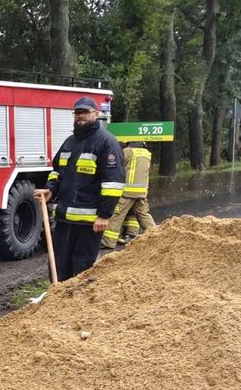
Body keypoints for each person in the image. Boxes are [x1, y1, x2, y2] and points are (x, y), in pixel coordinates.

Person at [34, 97, 125, 280]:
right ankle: (58, 302)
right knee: (59, 264)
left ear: (96, 114)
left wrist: (104, 215)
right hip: (64, 219)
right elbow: (57, 171)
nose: (80, 116)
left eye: (85, 112)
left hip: (90, 222)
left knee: (82, 266)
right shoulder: (69, 142)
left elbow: (113, 183)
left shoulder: (107, 143)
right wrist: (50, 189)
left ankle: (78, 303)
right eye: (77, 113)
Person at [102, 141, 156, 248]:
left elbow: (115, 165)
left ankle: (108, 242)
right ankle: (159, 236)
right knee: (143, 214)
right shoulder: (147, 153)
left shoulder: (127, 151)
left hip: (127, 191)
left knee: (116, 216)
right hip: (141, 191)